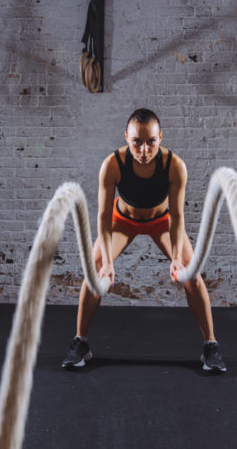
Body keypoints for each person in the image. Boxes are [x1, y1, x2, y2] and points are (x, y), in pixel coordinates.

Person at [62, 108, 226, 373]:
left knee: (192, 275)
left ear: (160, 137)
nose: (144, 149)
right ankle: (80, 342)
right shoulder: (112, 164)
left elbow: (177, 216)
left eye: (151, 141)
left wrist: (175, 258)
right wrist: (106, 262)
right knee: (94, 273)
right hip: (121, 221)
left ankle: (211, 346)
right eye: (137, 141)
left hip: (162, 221)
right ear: (126, 137)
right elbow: (103, 218)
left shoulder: (175, 165)